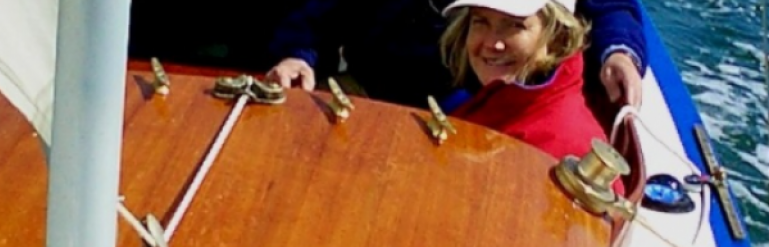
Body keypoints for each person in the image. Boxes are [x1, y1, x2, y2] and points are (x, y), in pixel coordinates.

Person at [266, 0, 646, 108]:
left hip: (472, 106)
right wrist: (299, 55)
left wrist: (619, 52)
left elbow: (611, 6)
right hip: (370, 89)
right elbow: (321, 9)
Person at [441, 0, 613, 163]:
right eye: (481, 21)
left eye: (515, 25)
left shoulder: (566, 148)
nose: (492, 43)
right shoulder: (492, 100)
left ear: (558, 37)